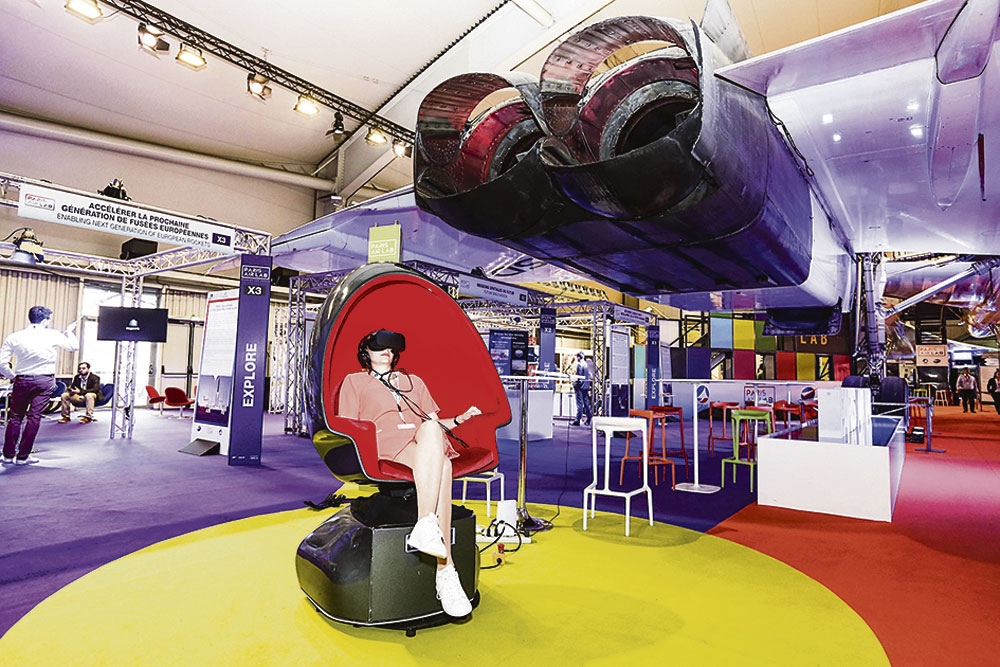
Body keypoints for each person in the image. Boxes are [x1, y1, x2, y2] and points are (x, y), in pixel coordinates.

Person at [337, 329, 482, 618]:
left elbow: (434, 424)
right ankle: (445, 569)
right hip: (384, 446)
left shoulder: (413, 381)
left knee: (432, 431)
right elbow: (347, 425)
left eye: (391, 349)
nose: (387, 352)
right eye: (379, 347)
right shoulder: (354, 382)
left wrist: (459, 419)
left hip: (421, 442)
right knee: (444, 465)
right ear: (365, 352)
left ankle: (427, 529)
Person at [1, 306, 79, 466]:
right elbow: (74, 347)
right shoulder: (53, 334)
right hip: (44, 381)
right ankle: (23, 457)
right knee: (34, 417)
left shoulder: (15, 336)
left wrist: (13, 377)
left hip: (22, 380)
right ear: (45, 320)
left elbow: (1, 363)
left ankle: (8, 455)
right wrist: (70, 332)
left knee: (15, 417)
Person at [571, 351, 592, 426]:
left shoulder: (580, 365)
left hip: (580, 387)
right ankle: (588, 419)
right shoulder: (586, 364)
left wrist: (575, 384)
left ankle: (577, 420)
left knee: (579, 404)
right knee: (586, 404)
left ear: (579, 357)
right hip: (585, 387)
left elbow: (579, 377)